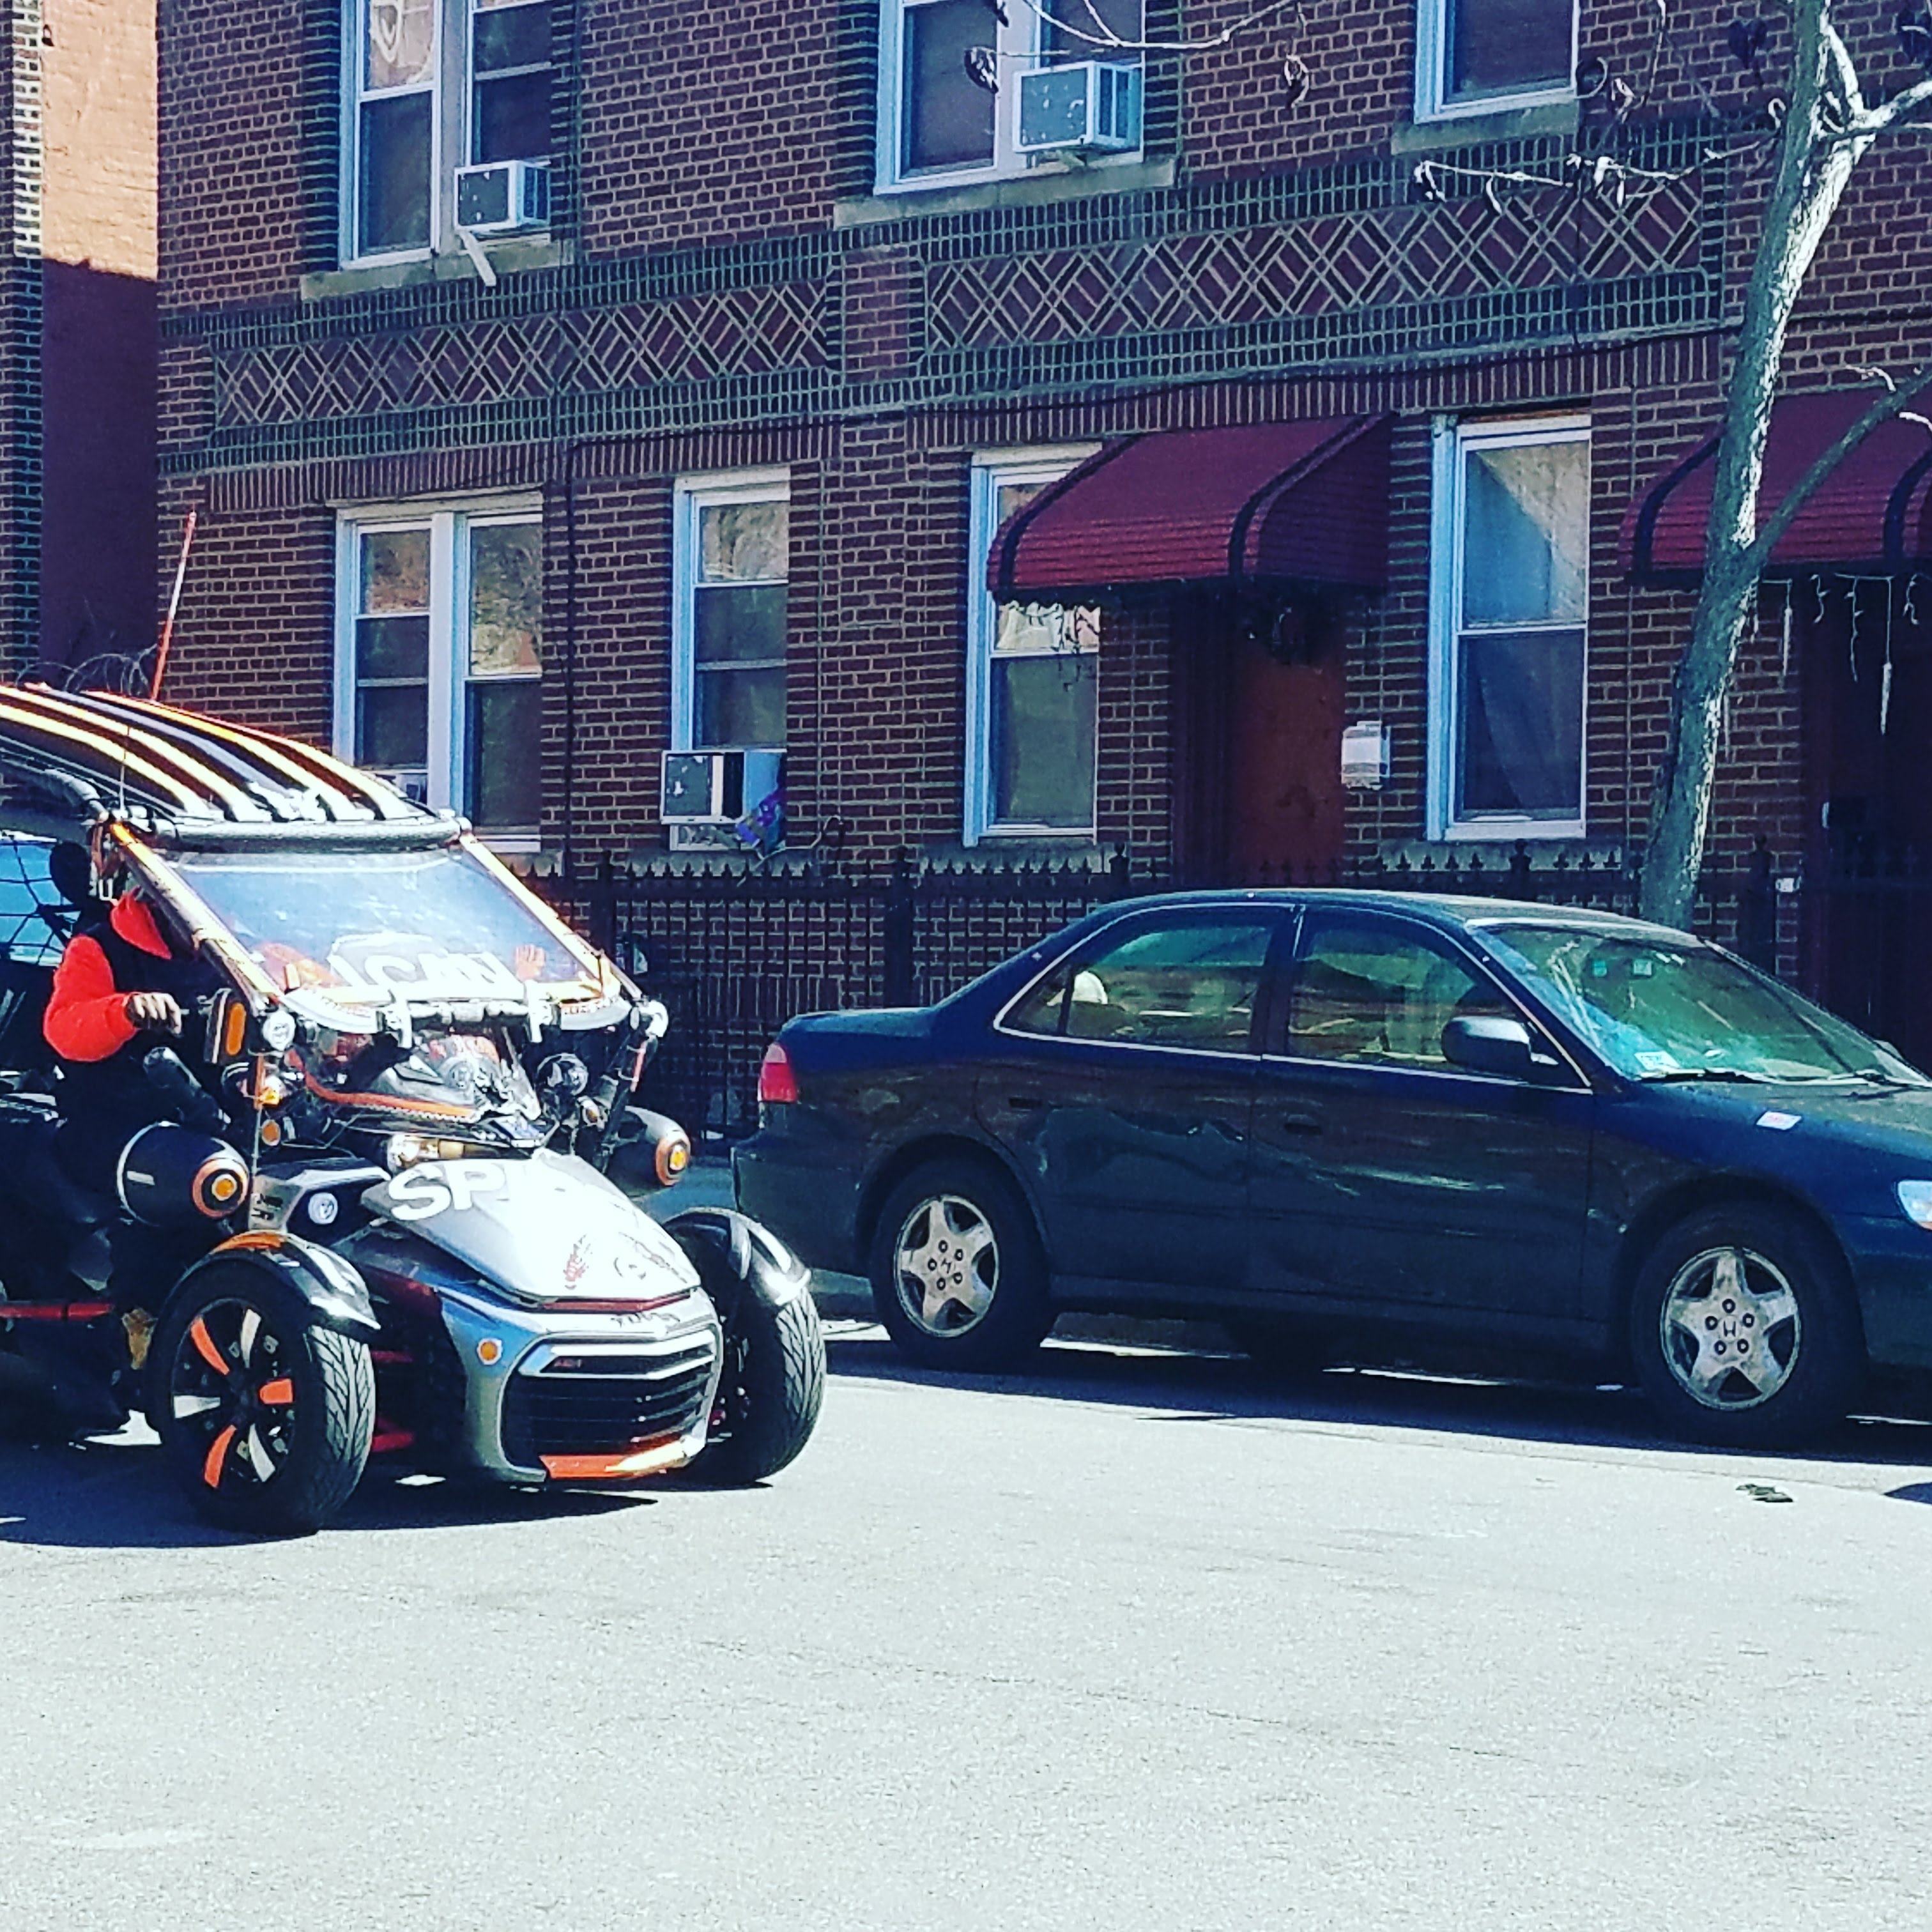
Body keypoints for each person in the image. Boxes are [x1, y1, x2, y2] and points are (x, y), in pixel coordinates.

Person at [42, 870, 220, 1312]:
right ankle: (141, 1322)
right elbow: (63, 1030)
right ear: (158, 898)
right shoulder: (98, 947)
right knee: (175, 1180)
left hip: (218, 1116)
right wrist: (124, 1011)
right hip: (113, 1122)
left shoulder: (244, 954)